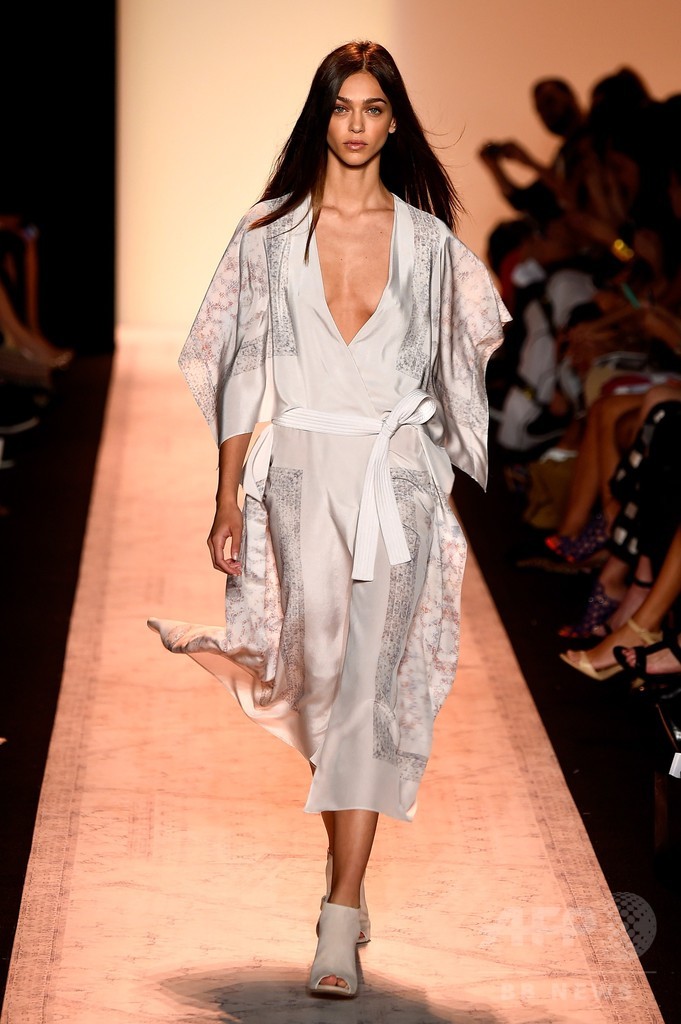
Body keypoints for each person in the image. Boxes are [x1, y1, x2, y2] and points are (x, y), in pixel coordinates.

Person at [148, 40, 509, 998]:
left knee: (365, 692)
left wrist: (438, 452)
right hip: (302, 477)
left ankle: (339, 912)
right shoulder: (269, 234)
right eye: (342, 107)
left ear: (394, 122)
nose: (356, 125)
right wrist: (226, 494)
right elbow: (240, 365)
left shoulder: (426, 243)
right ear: (322, 117)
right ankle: (343, 861)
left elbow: (468, 352)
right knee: (317, 676)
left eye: (373, 108)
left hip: (395, 482)